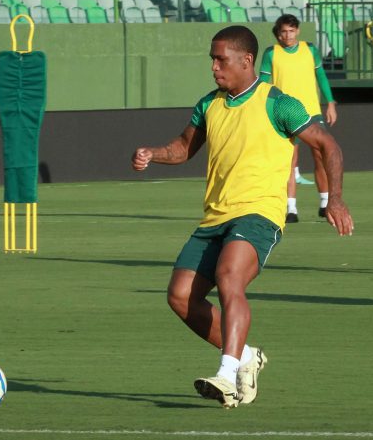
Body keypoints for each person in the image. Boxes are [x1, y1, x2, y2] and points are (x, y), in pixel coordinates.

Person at [131, 26, 353, 408]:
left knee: (229, 276)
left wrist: (335, 199)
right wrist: (153, 154)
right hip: (215, 216)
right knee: (180, 296)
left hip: (260, 213)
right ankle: (247, 356)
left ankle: (227, 375)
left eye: (221, 60)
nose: (214, 67)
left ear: (247, 60)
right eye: (212, 60)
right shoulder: (209, 104)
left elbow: (327, 145)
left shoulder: (278, 103)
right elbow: (183, 147)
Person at [259, 14, 338, 223]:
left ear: (298, 31)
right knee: (289, 161)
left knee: (320, 155)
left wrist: (330, 103)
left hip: (311, 111)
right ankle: (291, 209)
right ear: (278, 34)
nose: (288, 35)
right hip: (284, 113)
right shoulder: (271, 53)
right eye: (284, 31)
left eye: (292, 31)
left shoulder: (310, 50)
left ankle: (324, 203)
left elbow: (321, 77)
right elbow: (263, 84)